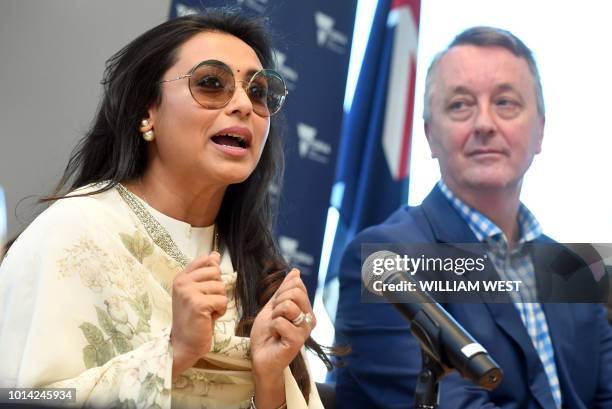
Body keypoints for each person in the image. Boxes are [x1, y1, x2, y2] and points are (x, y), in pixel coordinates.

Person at [0, 10, 327, 409]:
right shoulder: (73, 233)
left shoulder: (255, 265)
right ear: (146, 111)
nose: (244, 104)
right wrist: (173, 352)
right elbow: (19, 400)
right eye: (211, 84)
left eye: (259, 93)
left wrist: (270, 379)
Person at [334, 26, 612, 408]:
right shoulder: (383, 262)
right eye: (461, 105)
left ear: (540, 132)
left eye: (506, 103)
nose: (484, 123)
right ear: (431, 136)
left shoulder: (575, 268)